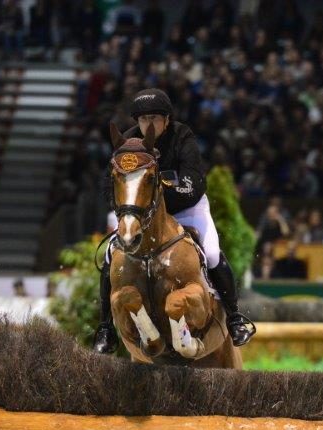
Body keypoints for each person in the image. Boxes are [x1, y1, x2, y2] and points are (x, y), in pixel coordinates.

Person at [93, 88, 254, 353]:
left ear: (167, 119)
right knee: (111, 254)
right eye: (143, 119)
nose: (149, 124)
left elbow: (193, 181)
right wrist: (130, 207)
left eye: (155, 118)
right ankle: (106, 326)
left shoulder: (182, 137)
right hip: (145, 214)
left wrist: (157, 192)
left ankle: (235, 317)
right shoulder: (129, 144)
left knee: (212, 253)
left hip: (186, 206)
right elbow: (108, 186)